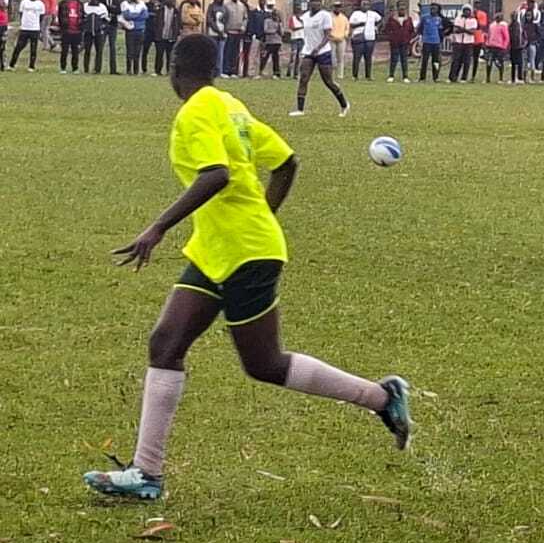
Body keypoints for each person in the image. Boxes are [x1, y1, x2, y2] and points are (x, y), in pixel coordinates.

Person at [82, 33, 412, 502]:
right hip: (218, 248)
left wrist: (157, 227)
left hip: (244, 252)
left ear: (173, 71)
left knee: (265, 363)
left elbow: (215, 175)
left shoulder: (195, 111)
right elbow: (286, 163)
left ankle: (381, 398)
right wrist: (261, 216)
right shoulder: (231, 105)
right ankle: (147, 473)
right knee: (166, 343)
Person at [290, 0, 351, 118]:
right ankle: (300, 109)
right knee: (303, 78)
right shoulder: (305, 17)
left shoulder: (325, 16)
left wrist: (318, 48)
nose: (315, 3)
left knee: (328, 81)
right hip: (308, 51)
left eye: (318, 1)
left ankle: (344, 104)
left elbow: (328, 35)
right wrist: (309, 48)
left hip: (322, 52)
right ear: (309, 3)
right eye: (313, 1)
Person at [10, 0, 45, 70]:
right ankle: (12, 64)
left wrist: (37, 24)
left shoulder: (40, 4)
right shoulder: (24, 2)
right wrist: (23, 23)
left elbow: (41, 17)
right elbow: (21, 13)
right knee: (19, 46)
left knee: (33, 48)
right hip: (25, 28)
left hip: (35, 29)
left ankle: (31, 66)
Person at [349, 1, 380, 81]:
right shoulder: (356, 13)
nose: (365, 6)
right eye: (364, 5)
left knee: (368, 58)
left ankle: (368, 76)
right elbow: (351, 24)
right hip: (359, 37)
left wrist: (376, 28)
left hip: (370, 38)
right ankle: (355, 76)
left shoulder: (373, 14)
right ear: (361, 5)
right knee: (357, 57)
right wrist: (360, 24)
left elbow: (380, 20)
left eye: (367, 5)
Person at [84, 0, 113, 74]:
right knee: (87, 50)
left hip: (99, 32)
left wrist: (102, 26)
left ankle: (97, 69)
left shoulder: (102, 7)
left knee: (99, 51)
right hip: (88, 32)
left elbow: (107, 19)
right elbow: (82, 18)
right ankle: (86, 69)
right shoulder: (85, 6)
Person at [122, 0, 150, 76]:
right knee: (130, 51)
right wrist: (138, 15)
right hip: (130, 30)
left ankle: (136, 70)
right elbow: (127, 16)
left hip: (140, 30)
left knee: (137, 52)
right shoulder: (125, 4)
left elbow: (146, 15)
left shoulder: (141, 3)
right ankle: (129, 70)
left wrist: (133, 16)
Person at [151, 0, 179, 76]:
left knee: (170, 55)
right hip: (161, 36)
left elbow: (178, 23)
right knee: (159, 54)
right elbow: (155, 22)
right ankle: (158, 71)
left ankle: (169, 71)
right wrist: (156, 33)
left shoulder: (176, 11)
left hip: (171, 37)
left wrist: (176, 34)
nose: (170, 0)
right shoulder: (161, 10)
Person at [449, 4, 477, 83]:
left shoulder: (473, 20)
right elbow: (455, 30)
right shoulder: (458, 19)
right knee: (456, 60)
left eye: (468, 10)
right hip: (458, 42)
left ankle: (464, 78)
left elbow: (472, 32)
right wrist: (466, 30)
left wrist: (463, 29)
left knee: (466, 61)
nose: (466, 12)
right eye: (465, 10)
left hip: (468, 42)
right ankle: (452, 77)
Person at [223, 0, 248, 78]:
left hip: (238, 32)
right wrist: (225, 28)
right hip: (229, 32)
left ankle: (234, 71)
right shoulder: (226, 6)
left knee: (236, 53)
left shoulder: (242, 6)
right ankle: (226, 71)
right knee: (228, 52)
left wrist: (243, 26)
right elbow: (223, 18)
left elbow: (245, 18)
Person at [418, 3, 444, 82]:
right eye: (431, 8)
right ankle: (422, 78)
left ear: (437, 10)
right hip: (427, 42)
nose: (433, 10)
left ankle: (435, 77)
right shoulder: (425, 18)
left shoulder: (439, 19)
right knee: (424, 60)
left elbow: (440, 31)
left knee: (436, 61)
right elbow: (420, 29)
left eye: (434, 8)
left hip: (436, 42)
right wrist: (423, 37)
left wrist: (440, 41)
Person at [260, 0, 284, 79]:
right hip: (269, 42)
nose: (275, 16)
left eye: (276, 15)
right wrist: (274, 31)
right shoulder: (267, 21)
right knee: (265, 56)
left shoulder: (279, 22)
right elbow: (266, 30)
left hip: (277, 42)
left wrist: (279, 26)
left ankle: (276, 73)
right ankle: (261, 71)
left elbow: (282, 33)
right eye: (274, 15)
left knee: (276, 58)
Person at [207, 0, 229, 73]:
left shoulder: (225, 8)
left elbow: (227, 20)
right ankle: (212, 71)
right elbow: (209, 20)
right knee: (213, 52)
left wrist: (224, 31)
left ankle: (220, 71)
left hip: (222, 33)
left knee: (221, 53)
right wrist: (217, 30)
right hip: (213, 33)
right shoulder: (211, 7)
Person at [486, 13, 510, 83]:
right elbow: (489, 35)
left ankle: (501, 78)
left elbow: (506, 37)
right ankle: (488, 78)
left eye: (499, 18)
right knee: (489, 62)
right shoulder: (491, 25)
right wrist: (487, 43)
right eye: (496, 18)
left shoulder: (503, 26)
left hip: (499, 47)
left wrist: (504, 47)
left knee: (499, 62)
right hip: (491, 46)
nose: (497, 19)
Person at [330, 2, 351, 80]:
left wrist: (345, 35)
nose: (337, 9)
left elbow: (347, 28)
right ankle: (331, 74)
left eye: (339, 7)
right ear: (333, 7)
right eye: (336, 7)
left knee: (341, 58)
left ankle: (340, 75)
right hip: (331, 39)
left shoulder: (344, 18)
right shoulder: (329, 17)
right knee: (331, 58)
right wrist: (330, 35)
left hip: (341, 40)